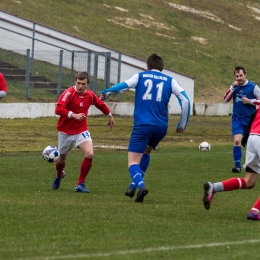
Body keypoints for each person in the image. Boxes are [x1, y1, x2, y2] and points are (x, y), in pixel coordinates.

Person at [100, 53, 190, 203]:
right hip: (161, 127)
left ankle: (141, 185)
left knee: (132, 162)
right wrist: (182, 124)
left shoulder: (140, 76)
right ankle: (132, 186)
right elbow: (186, 101)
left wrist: (106, 92)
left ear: (147, 66)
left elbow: (123, 85)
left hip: (143, 125)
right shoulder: (170, 80)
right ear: (162, 68)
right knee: (147, 151)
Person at [53, 71, 114, 192]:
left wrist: (110, 115)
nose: (80, 86)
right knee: (61, 160)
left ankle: (80, 184)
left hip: (81, 130)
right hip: (65, 131)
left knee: (90, 153)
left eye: (83, 84)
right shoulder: (69, 93)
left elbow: (99, 103)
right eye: (78, 83)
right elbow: (58, 109)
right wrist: (73, 115)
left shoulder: (90, 95)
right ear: (75, 82)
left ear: (88, 84)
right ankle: (59, 175)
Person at [203, 107, 260, 220]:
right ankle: (255, 211)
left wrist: (247, 136)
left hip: (252, 136)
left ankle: (214, 187)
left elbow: (254, 114)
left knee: (250, 181)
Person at [224, 66, 260, 173]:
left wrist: (251, 101)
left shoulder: (253, 87)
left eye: (241, 75)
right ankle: (237, 166)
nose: (239, 78)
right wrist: (232, 87)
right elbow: (225, 99)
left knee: (251, 145)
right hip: (237, 119)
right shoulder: (234, 87)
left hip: (251, 121)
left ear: (245, 75)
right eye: (237, 76)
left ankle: (253, 166)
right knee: (237, 140)